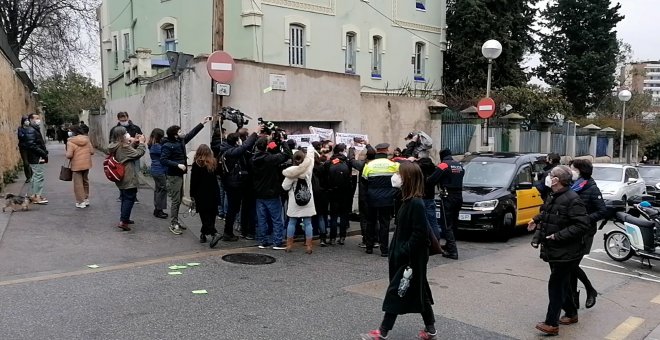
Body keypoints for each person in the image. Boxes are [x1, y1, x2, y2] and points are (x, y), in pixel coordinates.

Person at [361, 162, 437, 340]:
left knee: (397, 290)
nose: (395, 177)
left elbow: (420, 233)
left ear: (407, 179)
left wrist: (403, 251)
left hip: (410, 258)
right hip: (407, 255)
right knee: (419, 290)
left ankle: (383, 331)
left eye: (399, 174)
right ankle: (431, 329)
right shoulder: (406, 199)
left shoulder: (416, 203)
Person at [528, 165, 591, 336]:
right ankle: (571, 313)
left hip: (567, 251)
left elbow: (582, 225)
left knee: (555, 285)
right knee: (561, 284)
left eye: (552, 175)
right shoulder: (554, 196)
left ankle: (551, 323)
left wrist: (558, 236)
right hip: (555, 250)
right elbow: (549, 213)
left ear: (557, 180)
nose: (548, 177)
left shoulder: (573, 199)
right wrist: (535, 220)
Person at [161, 117, 211, 235]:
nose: (182, 132)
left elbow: (191, 134)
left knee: (179, 199)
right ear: (175, 135)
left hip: (179, 175)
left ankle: (176, 220)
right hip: (174, 176)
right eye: (179, 131)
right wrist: (177, 164)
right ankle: (173, 223)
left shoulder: (180, 141)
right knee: (175, 200)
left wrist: (202, 123)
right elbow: (163, 160)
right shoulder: (168, 145)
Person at [569, 159, 606, 309]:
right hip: (572, 231)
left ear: (580, 171)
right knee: (570, 266)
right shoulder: (573, 186)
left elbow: (602, 210)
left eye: (572, 168)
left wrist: (585, 219)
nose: (570, 171)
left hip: (585, 232)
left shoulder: (591, 188)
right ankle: (574, 300)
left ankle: (590, 290)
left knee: (571, 265)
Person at [214, 129, 259, 241]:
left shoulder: (225, 147)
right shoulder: (230, 152)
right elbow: (244, 147)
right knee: (232, 209)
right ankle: (227, 233)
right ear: (235, 142)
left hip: (231, 183)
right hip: (234, 184)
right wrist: (255, 133)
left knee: (233, 208)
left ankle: (229, 232)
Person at [252, 137, 292, 250]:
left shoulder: (253, 158)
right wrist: (283, 141)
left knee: (262, 219)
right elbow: (287, 154)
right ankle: (277, 241)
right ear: (266, 147)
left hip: (259, 193)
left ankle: (263, 241)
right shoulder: (270, 159)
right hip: (271, 192)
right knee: (277, 219)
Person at [362, 143, 400, 256]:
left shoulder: (369, 165)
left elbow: (364, 181)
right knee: (385, 224)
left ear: (377, 151)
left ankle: (369, 247)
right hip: (387, 198)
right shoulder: (393, 164)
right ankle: (384, 250)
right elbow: (398, 180)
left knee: (370, 222)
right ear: (387, 150)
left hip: (372, 198)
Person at [426, 148, 462, 259]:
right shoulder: (459, 165)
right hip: (459, 196)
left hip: (447, 197)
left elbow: (431, 180)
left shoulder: (443, 165)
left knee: (446, 224)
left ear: (442, 156)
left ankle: (452, 251)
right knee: (454, 223)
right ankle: (448, 245)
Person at [108, 126, 147, 231]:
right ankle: (124, 221)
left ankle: (125, 218)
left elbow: (128, 152)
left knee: (125, 198)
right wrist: (142, 143)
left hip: (120, 176)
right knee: (129, 198)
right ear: (121, 136)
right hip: (127, 176)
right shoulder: (123, 147)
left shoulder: (115, 145)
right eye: (125, 133)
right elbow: (138, 154)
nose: (128, 134)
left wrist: (134, 143)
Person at [282, 147, 316, 254]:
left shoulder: (291, 172)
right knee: (308, 223)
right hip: (307, 199)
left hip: (294, 201)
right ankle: (309, 246)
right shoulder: (308, 170)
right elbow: (311, 158)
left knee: (291, 223)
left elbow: (285, 187)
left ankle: (289, 246)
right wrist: (310, 149)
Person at [190, 144, 221, 247]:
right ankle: (203, 234)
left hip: (202, 194)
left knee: (204, 216)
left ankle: (214, 233)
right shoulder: (213, 163)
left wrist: (192, 194)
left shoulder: (197, 164)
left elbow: (193, 181)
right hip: (213, 192)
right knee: (211, 216)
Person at [325, 143, 353, 245]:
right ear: (342, 151)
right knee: (343, 216)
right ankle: (342, 237)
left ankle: (332, 238)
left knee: (333, 216)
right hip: (345, 192)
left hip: (333, 192)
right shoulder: (348, 162)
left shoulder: (329, 162)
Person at [349, 144, 376, 248]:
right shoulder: (377, 164)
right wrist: (368, 145)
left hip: (364, 196)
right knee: (374, 218)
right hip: (375, 196)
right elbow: (372, 153)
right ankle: (376, 240)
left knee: (364, 219)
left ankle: (366, 240)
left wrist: (351, 149)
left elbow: (351, 160)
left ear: (365, 156)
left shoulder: (363, 165)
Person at [65, 125, 94, 208]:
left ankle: (81, 202)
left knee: (78, 184)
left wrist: (67, 153)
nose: (69, 132)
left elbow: (69, 155)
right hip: (86, 164)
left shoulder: (70, 142)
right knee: (85, 181)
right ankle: (86, 198)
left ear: (73, 132)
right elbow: (92, 151)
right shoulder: (86, 139)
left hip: (76, 166)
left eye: (70, 131)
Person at [23, 113, 49, 204]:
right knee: (39, 176)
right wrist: (43, 153)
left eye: (39, 118)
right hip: (36, 157)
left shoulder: (33, 129)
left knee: (36, 176)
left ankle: (35, 195)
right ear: (31, 120)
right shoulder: (31, 130)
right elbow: (32, 145)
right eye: (36, 118)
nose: (38, 120)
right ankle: (37, 196)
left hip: (36, 157)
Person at [416, 151, 442, 240]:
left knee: (419, 221)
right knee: (433, 221)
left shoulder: (417, 167)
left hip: (420, 196)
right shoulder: (434, 168)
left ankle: (423, 240)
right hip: (430, 197)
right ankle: (436, 240)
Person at [148, 128, 168, 219]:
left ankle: (157, 209)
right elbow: (166, 154)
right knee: (162, 190)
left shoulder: (152, 144)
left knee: (158, 189)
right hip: (159, 170)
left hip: (155, 169)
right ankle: (159, 210)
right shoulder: (157, 146)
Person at [17, 115, 33, 183]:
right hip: (23, 148)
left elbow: (32, 137)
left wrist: (25, 135)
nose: (27, 121)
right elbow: (20, 136)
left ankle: (31, 173)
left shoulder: (31, 128)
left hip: (30, 147)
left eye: (27, 120)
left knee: (30, 162)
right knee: (26, 163)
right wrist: (27, 135)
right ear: (23, 121)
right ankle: (28, 177)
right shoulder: (20, 128)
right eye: (25, 120)